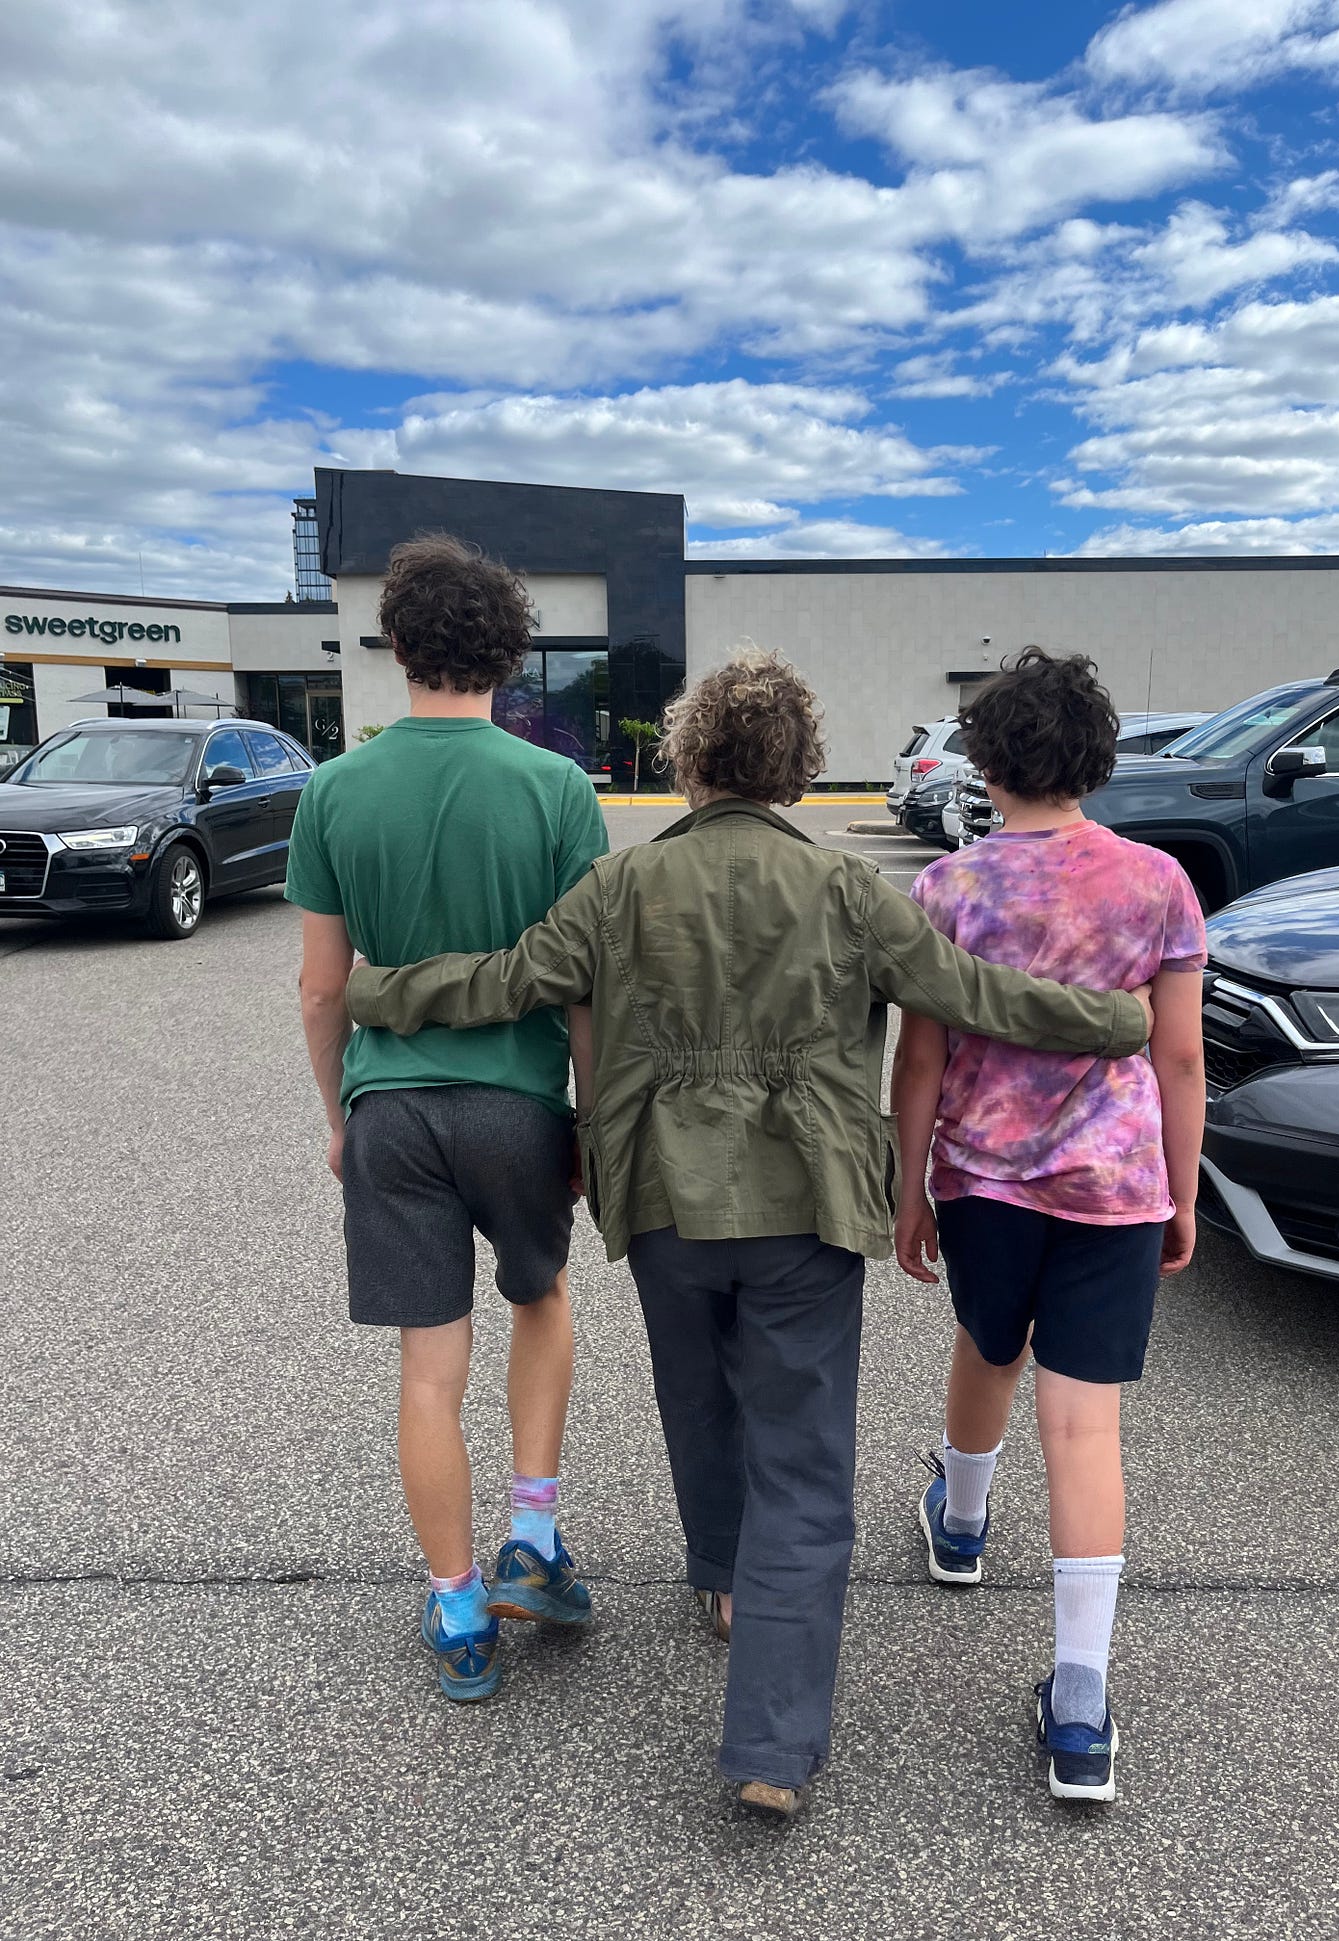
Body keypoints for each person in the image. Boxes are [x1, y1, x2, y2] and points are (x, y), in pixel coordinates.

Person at [345, 649, 1153, 1815]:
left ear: (688, 762)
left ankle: (725, 1577)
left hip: (667, 1198)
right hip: (807, 1200)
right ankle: (770, 1744)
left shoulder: (623, 888)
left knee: (700, 1399)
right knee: (806, 1459)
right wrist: (1111, 1020)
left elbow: (508, 979)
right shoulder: (844, 891)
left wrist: (382, 994)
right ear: (796, 770)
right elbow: (970, 994)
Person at [285, 534, 607, 1704]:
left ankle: (462, 1606)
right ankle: (535, 1532)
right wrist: (588, 1119)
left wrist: (338, 1110)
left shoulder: (334, 789)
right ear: (508, 655)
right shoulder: (557, 790)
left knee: (430, 1368)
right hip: (518, 1105)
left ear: (399, 646)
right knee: (541, 1297)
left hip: (392, 1112)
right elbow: (582, 988)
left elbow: (323, 987)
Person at [891, 645, 1206, 1804]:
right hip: (1114, 1184)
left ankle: (962, 1525)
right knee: (1085, 1428)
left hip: (982, 1175)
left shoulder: (950, 891)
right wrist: (1179, 1185)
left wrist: (905, 1183)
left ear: (984, 760)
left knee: (986, 1345)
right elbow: (1178, 1054)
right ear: (1098, 758)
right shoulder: (1159, 885)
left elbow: (920, 1054)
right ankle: (1079, 1699)